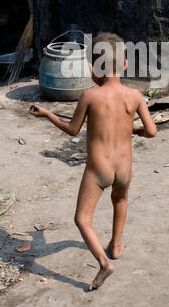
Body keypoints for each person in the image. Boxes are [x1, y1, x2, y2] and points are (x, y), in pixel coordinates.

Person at [28, 32, 157, 291]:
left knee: (82, 219)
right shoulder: (135, 96)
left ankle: (104, 263)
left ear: (92, 67)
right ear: (125, 64)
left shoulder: (89, 96)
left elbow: (73, 130)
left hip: (99, 169)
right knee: (120, 199)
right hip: (124, 168)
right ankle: (116, 246)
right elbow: (152, 131)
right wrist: (134, 131)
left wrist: (47, 114)